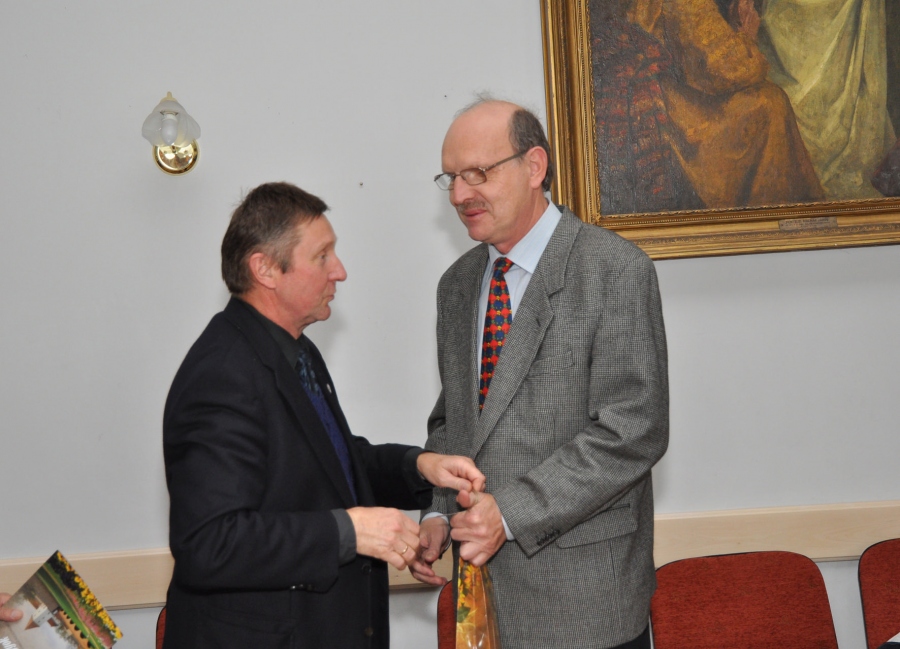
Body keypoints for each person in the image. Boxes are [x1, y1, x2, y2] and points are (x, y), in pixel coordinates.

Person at [162, 182, 484, 649]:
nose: (340, 271)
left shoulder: (296, 351)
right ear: (265, 269)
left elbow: (328, 465)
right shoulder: (222, 374)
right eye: (322, 256)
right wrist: (351, 531)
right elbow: (210, 543)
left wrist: (419, 466)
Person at [409, 100, 669, 649]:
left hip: (586, 607)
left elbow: (632, 431)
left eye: (478, 173)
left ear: (534, 166)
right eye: (451, 178)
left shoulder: (614, 269)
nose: (459, 195)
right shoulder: (456, 286)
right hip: (483, 601)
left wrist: (508, 513)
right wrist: (437, 514)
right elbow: (454, 423)